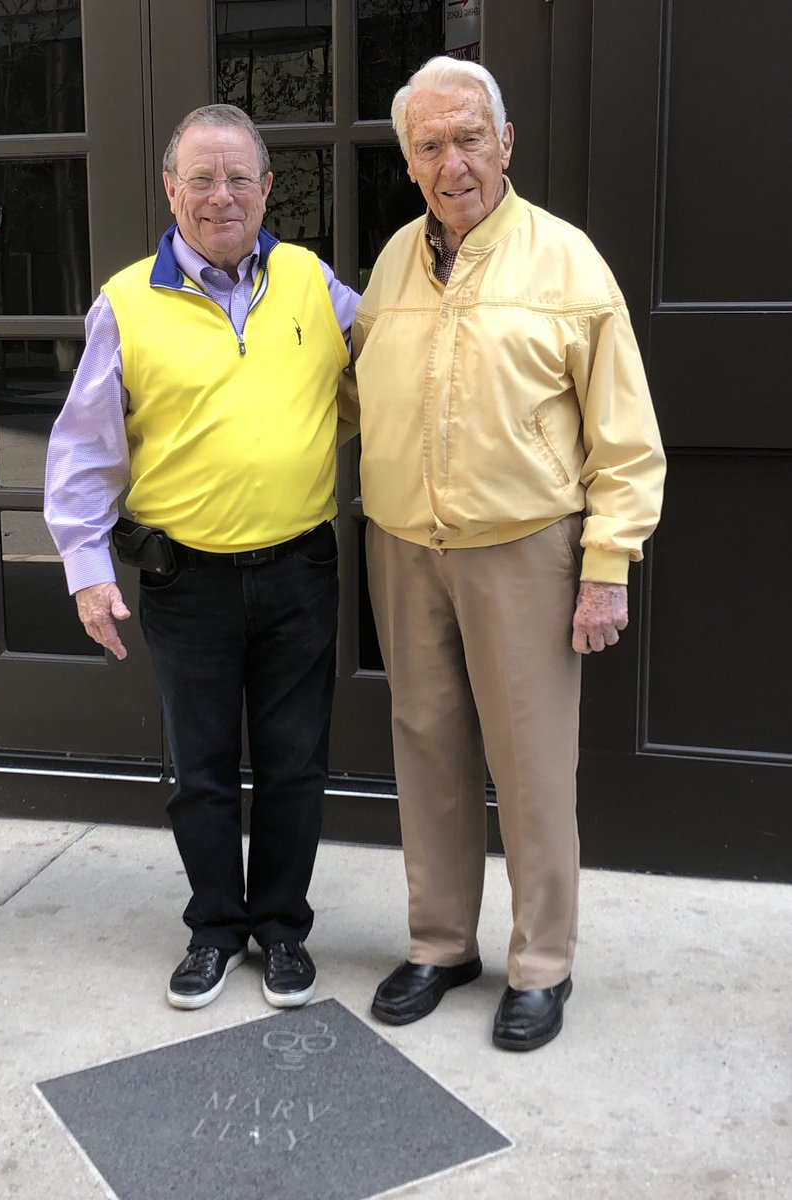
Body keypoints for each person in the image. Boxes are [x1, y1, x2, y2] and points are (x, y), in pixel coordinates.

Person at [348, 57, 666, 1050]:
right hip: (404, 548)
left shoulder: (568, 262)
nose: (453, 163)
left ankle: (542, 962)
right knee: (428, 751)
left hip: (525, 549)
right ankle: (442, 942)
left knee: (531, 767)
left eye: (468, 138)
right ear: (408, 161)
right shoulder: (396, 261)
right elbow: (356, 399)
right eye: (430, 145)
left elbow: (626, 438)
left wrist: (606, 566)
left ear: (506, 141)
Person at [44, 104, 358, 1013]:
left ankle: (283, 930)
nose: (222, 196)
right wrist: (87, 567)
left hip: (300, 568)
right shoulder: (126, 301)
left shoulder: (311, 282)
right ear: (171, 191)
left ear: (268, 190)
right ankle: (215, 929)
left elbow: (384, 371)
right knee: (203, 770)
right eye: (202, 179)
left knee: (297, 763)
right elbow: (85, 449)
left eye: (240, 178)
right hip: (187, 581)